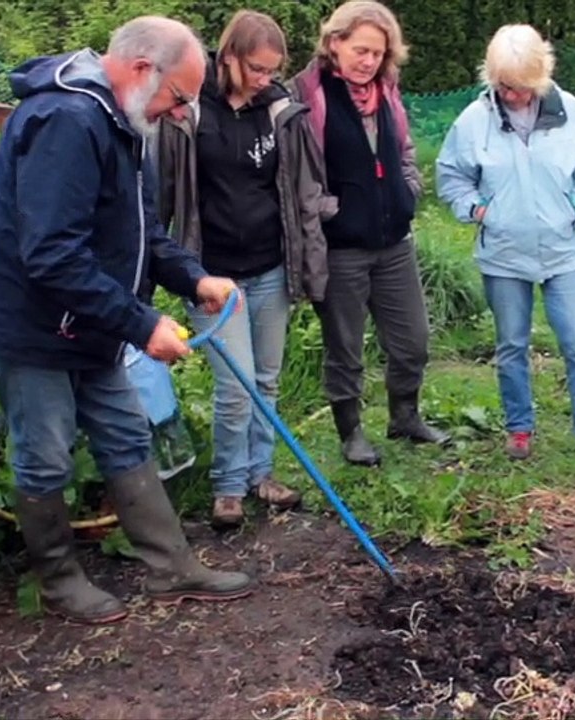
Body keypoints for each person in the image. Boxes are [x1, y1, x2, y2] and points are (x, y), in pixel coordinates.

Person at [0, 16, 254, 624]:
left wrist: (194, 278)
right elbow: (52, 255)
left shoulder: (125, 121)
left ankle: (171, 568)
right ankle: (59, 581)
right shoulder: (67, 121)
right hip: (33, 324)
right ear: (142, 69)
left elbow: (143, 233)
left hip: (90, 317)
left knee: (125, 434)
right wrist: (141, 325)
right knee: (45, 454)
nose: (180, 112)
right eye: (180, 96)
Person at [157, 10, 334, 528]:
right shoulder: (189, 110)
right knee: (235, 387)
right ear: (229, 57)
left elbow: (302, 192)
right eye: (256, 68)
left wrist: (310, 259)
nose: (265, 79)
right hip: (211, 274)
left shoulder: (279, 110)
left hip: (270, 266)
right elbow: (163, 193)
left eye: (272, 70)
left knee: (266, 380)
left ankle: (262, 475)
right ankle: (228, 487)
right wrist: (160, 266)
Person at [436, 24, 575, 463]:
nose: (513, 96)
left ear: (540, 76)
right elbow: (452, 175)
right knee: (511, 343)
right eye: (504, 86)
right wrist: (478, 210)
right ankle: (519, 427)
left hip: (564, 249)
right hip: (503, 254)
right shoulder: (474, 120)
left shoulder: (569, 111)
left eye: (521, 87)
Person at [288, 0, 449, 467]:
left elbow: (404, 150)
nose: (368, 61)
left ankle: (405, 417)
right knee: (346, 346)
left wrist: (407, 190)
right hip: (341, 248)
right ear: (335, 43)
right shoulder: (309, 95)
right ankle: (351, 432)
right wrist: (330, 210)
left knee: (413, 340)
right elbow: (298, 171)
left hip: (394, 242)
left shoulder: (387, 91)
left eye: (377, 53)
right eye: (360, 50)